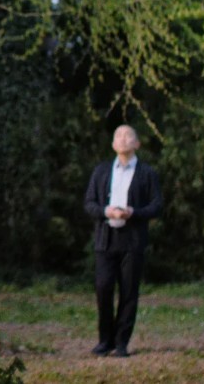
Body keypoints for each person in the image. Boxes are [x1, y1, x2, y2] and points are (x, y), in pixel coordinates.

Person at [82, 124, 162, 358]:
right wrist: (107, 212)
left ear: (137, 144)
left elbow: (157, 205)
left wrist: (133, 213)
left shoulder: (147, 173)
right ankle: (104, 340)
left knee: (128, 291)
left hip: (133, 239)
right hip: (106, 238)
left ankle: (121, 342)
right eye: (118, 135)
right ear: (113, 144)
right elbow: (89, 203)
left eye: (128, 136)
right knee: (103, 287)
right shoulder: (102, 171)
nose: (123, 139)